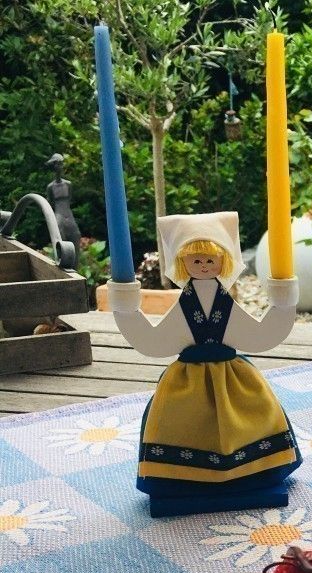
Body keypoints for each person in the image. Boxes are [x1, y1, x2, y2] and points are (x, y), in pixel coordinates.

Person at [107, 211, 301, 515]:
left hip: (233, 379)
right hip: (186, 385)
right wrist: (126, 308)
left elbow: (262, 335)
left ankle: (256, 471)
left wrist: (284, 302)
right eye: (195, 260)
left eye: (210, 259)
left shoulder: (225, 303)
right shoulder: (185, 305)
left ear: (224, 261)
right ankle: (180, 478)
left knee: (251, 415)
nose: (204, 266)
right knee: (180, 422)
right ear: (181, 264)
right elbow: (152, 342)